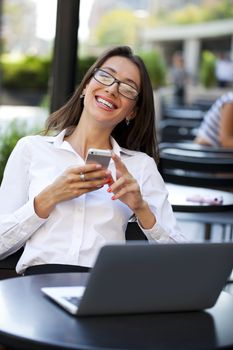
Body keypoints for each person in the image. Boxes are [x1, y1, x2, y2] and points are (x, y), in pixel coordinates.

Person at [0, 46, 187, 275]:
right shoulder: (31, 149)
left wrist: (142, 209)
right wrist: (47, 199)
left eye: (127, 87)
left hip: (102, 290)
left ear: (132, 112)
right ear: (86, 85)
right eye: (106, 76)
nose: (112, 89)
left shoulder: (140, 166)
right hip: (34, 286)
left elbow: (180, 261)